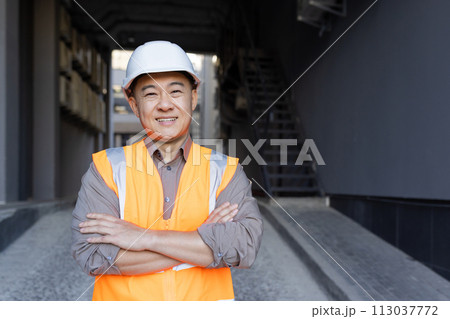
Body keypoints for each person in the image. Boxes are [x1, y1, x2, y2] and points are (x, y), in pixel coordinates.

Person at [71, 41, 264, 301]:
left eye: (175, 92)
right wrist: (200, 241)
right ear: (133, 104)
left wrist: (144, 238)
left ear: (193, 98)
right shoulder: (106, 170)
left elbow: (243, 248)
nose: (165, 104)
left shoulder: (225, 171)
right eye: (151, 94)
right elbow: (93, 255)